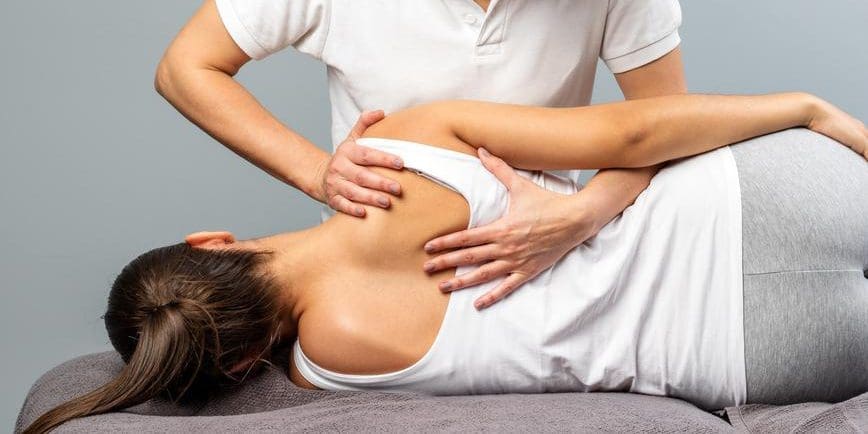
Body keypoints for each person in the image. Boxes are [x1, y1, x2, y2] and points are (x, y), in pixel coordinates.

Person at [23, 92, 868, 434]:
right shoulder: (406, 144)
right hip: (759, 199)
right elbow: (635, 136)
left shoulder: (329, 371)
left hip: (758, 350)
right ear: (211, 239)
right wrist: (809, 109)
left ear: (244, 362)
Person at [155, 0, 688, 307]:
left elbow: (668, 126)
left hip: (544, 266)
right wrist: (316, 172)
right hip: (380, 277)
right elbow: (185, 68)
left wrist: (581, 216)